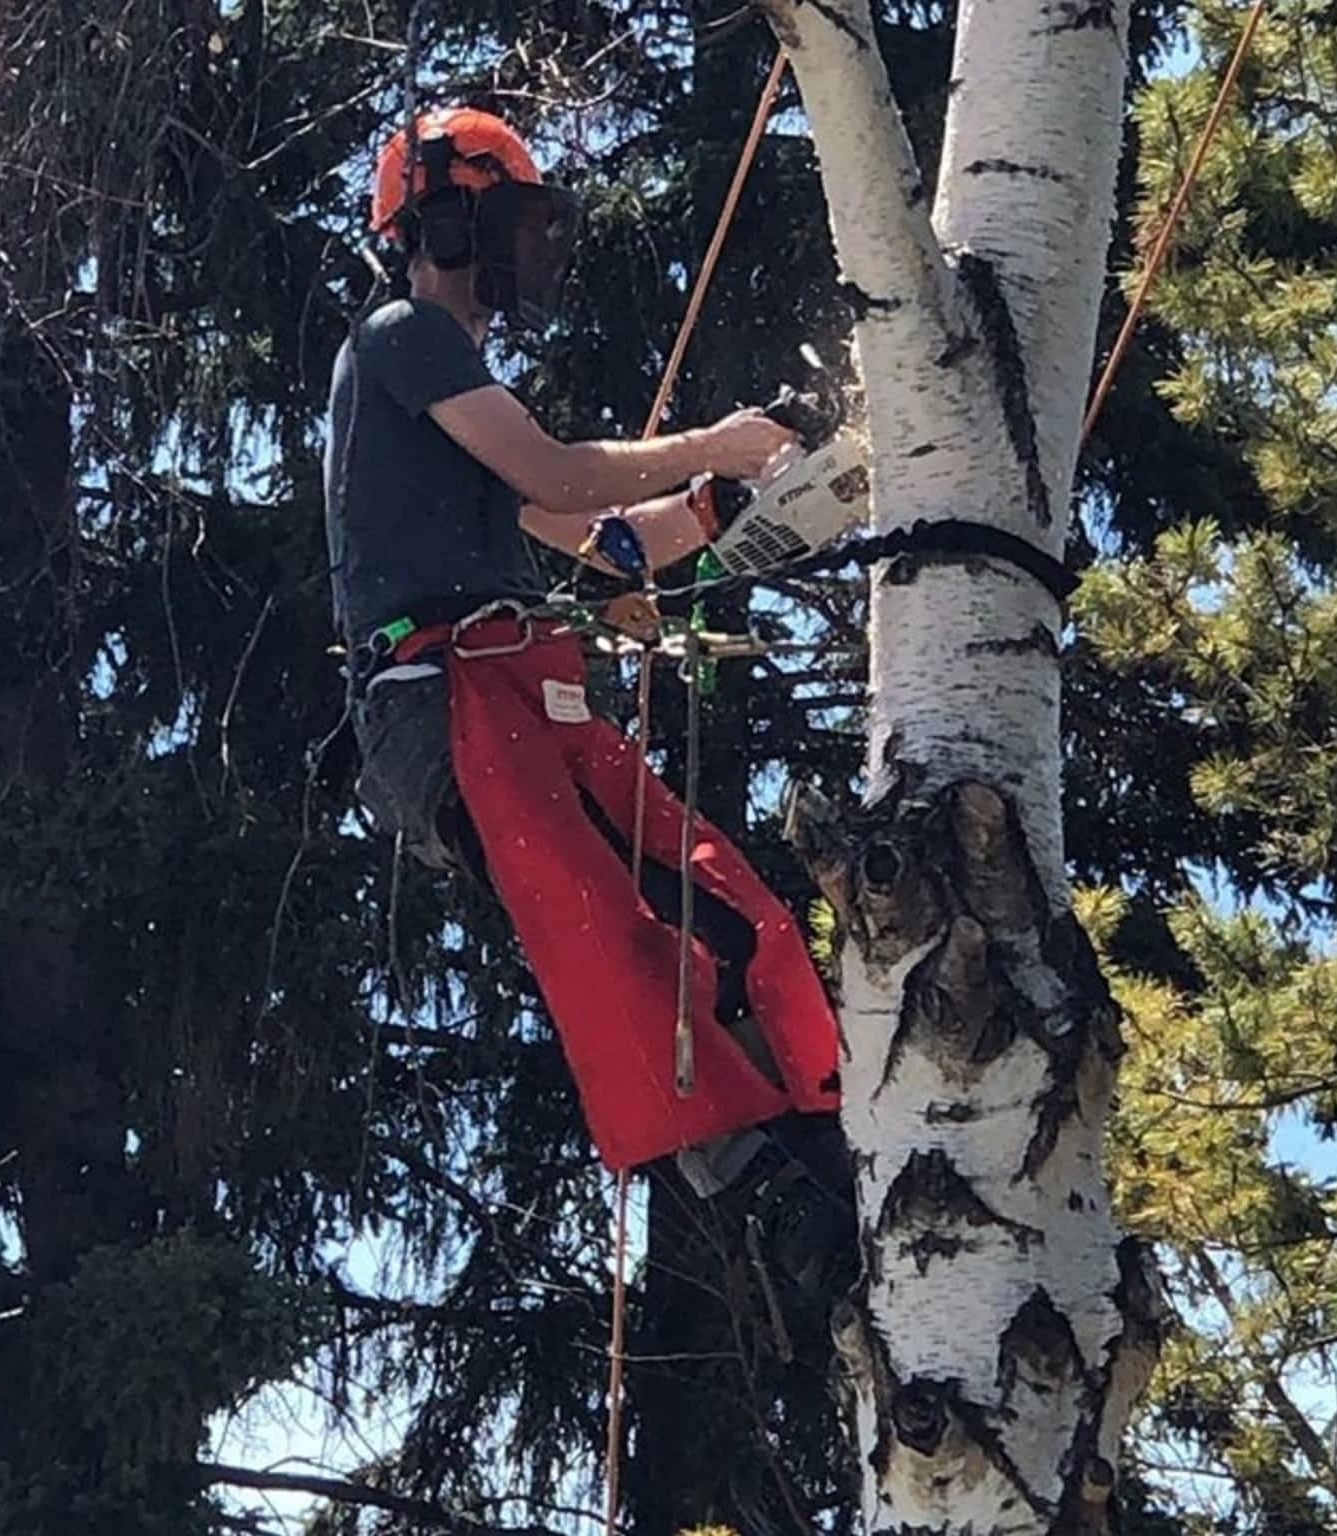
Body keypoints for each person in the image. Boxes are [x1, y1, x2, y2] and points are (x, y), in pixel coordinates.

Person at [324, 106, 850, 1305]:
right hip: (444, 697)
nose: (530, 252)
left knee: (724, 908)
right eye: (511, 220)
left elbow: (610, 544)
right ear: (448, 219)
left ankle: (809, 1131)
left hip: (517, 691)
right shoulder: (403, 338)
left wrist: (731, 502)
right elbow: (562, 475)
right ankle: (763, 1190)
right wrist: (706, 442)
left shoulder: (458, 405)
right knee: (628, 937)